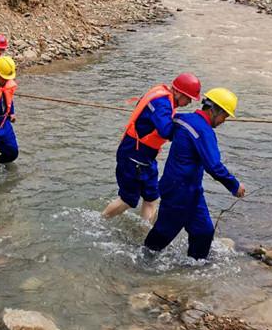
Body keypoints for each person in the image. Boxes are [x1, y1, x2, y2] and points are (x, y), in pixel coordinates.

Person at [144, 88, 246, 260]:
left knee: (204, 232)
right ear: (214, 110)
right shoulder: (204, 132)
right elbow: (213, 166)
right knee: (163, 234)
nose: (223, 121)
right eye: (225, 116)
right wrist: (234, 185)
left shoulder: (184, 120)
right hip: (180, 191)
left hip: (188, 189)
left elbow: (170, 125)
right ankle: (140, 263)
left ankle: (194, 269)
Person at [102, 73, 202, 223]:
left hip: (146, 157)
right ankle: (101, 220)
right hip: (133, 154)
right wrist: (187, 126)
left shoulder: (162, 95)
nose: (189, 102)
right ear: (178, 92)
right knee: (128, 199)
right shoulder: (162, 103)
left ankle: (145, 234)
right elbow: (166, 131)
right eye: (188, 98)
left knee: (152, 197)